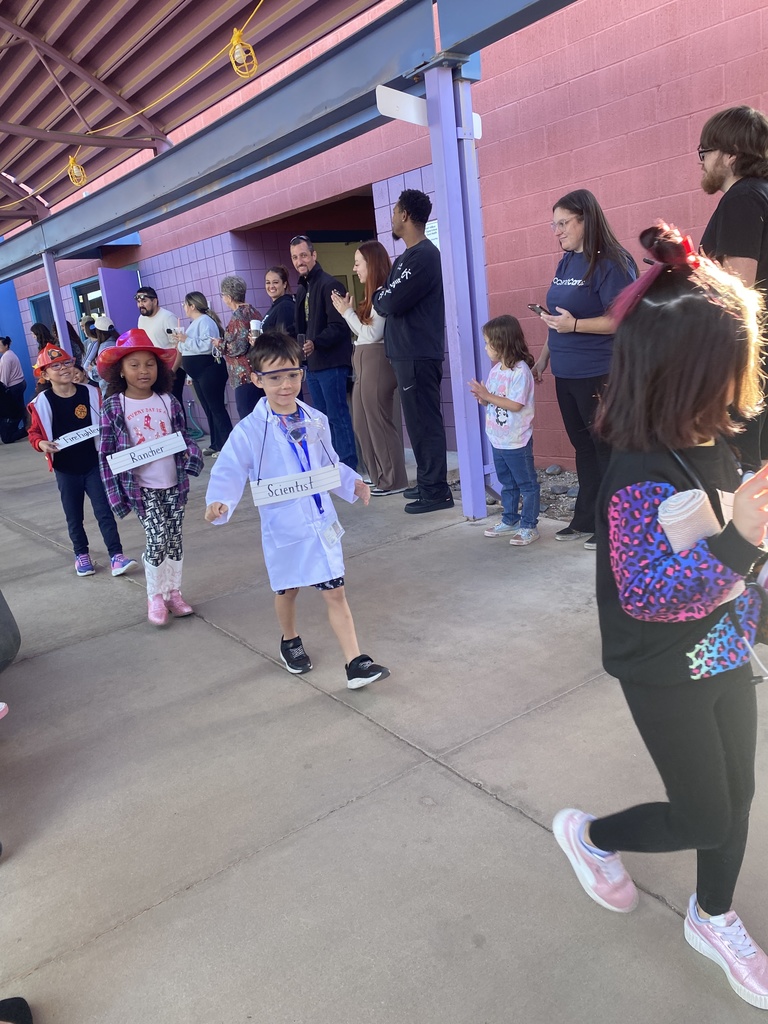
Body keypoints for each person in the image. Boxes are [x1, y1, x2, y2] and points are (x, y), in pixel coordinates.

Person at [553, 222, 768, 1011]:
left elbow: (739, 560)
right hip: (662, 666)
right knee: (704, 815)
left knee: (737, 796)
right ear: (679, 375)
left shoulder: (716, 441)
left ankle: (713, 916)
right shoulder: (638, 474)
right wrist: (743, 542)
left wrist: (753, 564)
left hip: (726, 649)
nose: (744, 387)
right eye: (732, 371)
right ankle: (591, 836)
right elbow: (650, 593)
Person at [204, 331, 389, 689]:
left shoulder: (315, 419)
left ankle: (355, 662)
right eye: (274, 378)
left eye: (292, 374)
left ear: (302, 374)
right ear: (256, 379)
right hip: (284, 525)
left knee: (335, 590)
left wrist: (352, 482)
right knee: (288, 590)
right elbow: (229, 468)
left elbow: (327, 462)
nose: (285, 385)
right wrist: (220, 502)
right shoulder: (249, 431)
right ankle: (290, 639)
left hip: (321, 520)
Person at [532, 189, 637, 550]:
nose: (557, 231)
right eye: (554, 225)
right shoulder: (566, 262)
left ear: (585, 220)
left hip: (600, 372)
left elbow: (623, 318)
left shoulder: (612, 262)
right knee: (583, 447)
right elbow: (556, 319)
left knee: (606, 448)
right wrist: (543, 359)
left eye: (563, 223)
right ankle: (586, 518)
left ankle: (613, 527)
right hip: (566, 372)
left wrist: (575, 326)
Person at [97, 330, 203, 626]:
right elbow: (106, 454)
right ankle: (155, 595)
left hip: (174, 483)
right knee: (157, 539)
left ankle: (174, 593)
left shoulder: (168, 401)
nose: (143, 371)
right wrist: (115, 497)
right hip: (142, 488)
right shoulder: (114, 406)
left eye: (150, 364)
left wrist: (192, 456)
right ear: (120, 370)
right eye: (134, 365)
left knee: (174, 539)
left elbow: (184, 437)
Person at [373, 189, 453, 514]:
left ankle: (435, 491)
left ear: (404, 214)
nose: (392, 217)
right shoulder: (407, 257)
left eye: (394, 211)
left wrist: (381, 296)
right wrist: (382, 296)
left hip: (418, 354)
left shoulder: (423, 257)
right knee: (417, 424)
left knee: (424, 423)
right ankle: (427, 481)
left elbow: (388, 300)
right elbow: (386, 297)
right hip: (406, 354)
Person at [27, 345, 136, 578]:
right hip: (65, 468)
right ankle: (81, 555)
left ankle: (116, 555)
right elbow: (34, 433)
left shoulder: (91, 393)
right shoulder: (42, 402)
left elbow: (106, 419)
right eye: (55, 366)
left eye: (67, 363)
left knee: (104, 512)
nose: (64, 369)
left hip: (93, 464)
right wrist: (41, 444)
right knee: (74, 515)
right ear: (45, 374)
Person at [698, 105, 768, 471]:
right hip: (758, 355)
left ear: (731, 155)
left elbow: (737, 289)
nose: (701, 161)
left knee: (742, 470)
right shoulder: (761, 194)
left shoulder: (742, 198)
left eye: (704, 152)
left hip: (744, 358)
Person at [331, 241, 408, 495]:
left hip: (376, 362)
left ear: (371, 264)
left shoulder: (383, 294)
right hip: (364, 361)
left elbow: (372, 334)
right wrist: (349, 313)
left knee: (378, 423)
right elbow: (365, 333)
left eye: (357, 263)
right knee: (362, 424)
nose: (354, 269)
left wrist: (347, 313)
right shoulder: (373, 295)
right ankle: (379, 476)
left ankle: (393, 480)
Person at [468, 315, 540, 545]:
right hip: (498, 439)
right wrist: (483, 399)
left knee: (527, 484)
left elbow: (516, 404)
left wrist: (488, 396)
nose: (485, 347)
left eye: (488, 343)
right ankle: (510, 520)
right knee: (507, 483)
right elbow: (493, 400)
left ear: (502, 343)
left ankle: (529, 526)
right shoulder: (496, 370)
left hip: (517, 439)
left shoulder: (520, 371)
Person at [290, 235, 356, 470]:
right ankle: (332, 466)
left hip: (332, 363)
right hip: (313, 364)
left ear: (314, 255)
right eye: (295, 257)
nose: (300, 261)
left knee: (337, 417)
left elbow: (340, 326)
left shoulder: (330, 284)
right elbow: (300, 328)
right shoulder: (302, 288)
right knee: (321, 421)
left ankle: (348, 467)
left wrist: (315, 343)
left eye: (303, 255)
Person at [174, 291, 232, 456]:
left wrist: (186, 340)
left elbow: (208, 346)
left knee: (216, 408)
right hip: (197, 372)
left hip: (209, 370)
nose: (184, 307)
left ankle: (227, 446)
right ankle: (216, 443)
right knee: (208, 408)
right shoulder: (194, 323)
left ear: (192, 306)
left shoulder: (205, 321)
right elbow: (187, 350)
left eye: (185, 304)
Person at [135, 286, 186, 413]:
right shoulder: (141, 319)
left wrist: (172, 371)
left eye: (144, 301)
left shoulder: (167, 317)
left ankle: (180, 427)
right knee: (159, 407)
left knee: (174, 405)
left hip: (172, 367)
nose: (141, 305)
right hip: (153, 368)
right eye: (138, 301)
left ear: (154, 301)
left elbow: (179, 346)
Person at [219, 274, 263, 420]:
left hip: (244, 375)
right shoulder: (253, 311)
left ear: (229, 297)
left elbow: (238, 347)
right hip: (257, 370)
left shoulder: (238, 316)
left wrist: (220, 344)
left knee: (248, 416)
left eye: (222, 295)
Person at [0, 336, 28, 444]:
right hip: (20, 383)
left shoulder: (6, 358)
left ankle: (25, 429)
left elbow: (4, 378)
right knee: (20, 408)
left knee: (15, 411)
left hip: (13, 386)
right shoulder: (11, 354)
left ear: (6, 345)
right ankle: (27, 427)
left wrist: (3, 390)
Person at [83, 315, 119, 395]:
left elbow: (103, 372)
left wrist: (92, 370)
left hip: (109, 388)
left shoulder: (104, 347)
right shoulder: (118, 341)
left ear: (98, 332)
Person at [260, 265, 296, 336]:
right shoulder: (276, 306)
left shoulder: (285, 306)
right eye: (268, 282)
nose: (271, 286)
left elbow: (284, 338)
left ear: (284, 284)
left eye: (275, 282)